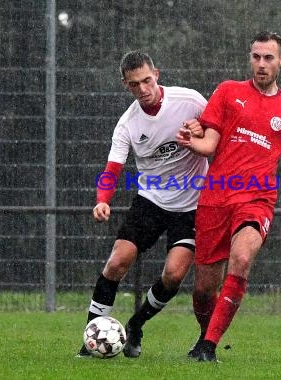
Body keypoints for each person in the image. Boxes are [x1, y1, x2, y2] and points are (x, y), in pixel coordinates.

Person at [176, 31, 281, 362]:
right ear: (250, 58)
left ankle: (209, 346)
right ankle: (206, 338)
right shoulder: (228, 91)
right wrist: (192, 141)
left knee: (243, 259)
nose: (261, 64)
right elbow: (210, 144)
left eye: (269, 58)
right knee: (204, 289)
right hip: (215, 198)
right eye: (256, 57)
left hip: (257, 199)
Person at [77, 51, 208, 358]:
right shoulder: (128, 124)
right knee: (117, 262)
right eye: (135, 84)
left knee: (174, 275)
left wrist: (203, 129)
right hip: (150, 200)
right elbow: (112, 169)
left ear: (157, 74)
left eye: (147, 80)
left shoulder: (190, 101)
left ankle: (136, 324)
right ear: (126, 85)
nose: (144, 89)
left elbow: (219, 128)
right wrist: (102, 201)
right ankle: (90, 339)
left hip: (191, 205)